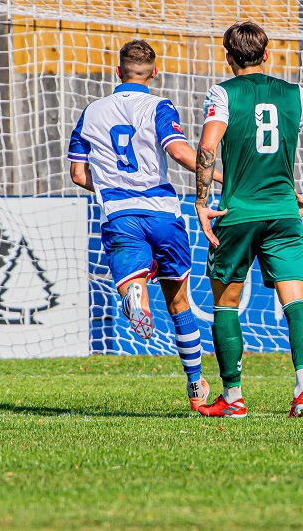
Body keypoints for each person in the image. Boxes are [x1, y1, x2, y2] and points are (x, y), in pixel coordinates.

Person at [194, 21, 303, 419]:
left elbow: (208, 145)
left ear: (229, 58)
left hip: (237, 213)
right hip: (283, 212)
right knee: (296, 300)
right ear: (266, 55)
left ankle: (233, 397)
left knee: (226, 305)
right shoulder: (295, 94)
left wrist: (201, 202)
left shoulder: (222, 93)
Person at [68, 39, 220, 411]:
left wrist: (108, 183)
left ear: (117, 72)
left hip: (121, 213)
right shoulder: (159, 106)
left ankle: (135, 296)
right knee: (180, 301)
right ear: (154, 73)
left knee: (133, 278)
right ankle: (196, 385)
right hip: (163, 212)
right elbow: (180, 151)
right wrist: (221, 176)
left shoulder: (91, 112)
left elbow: (77, 174)